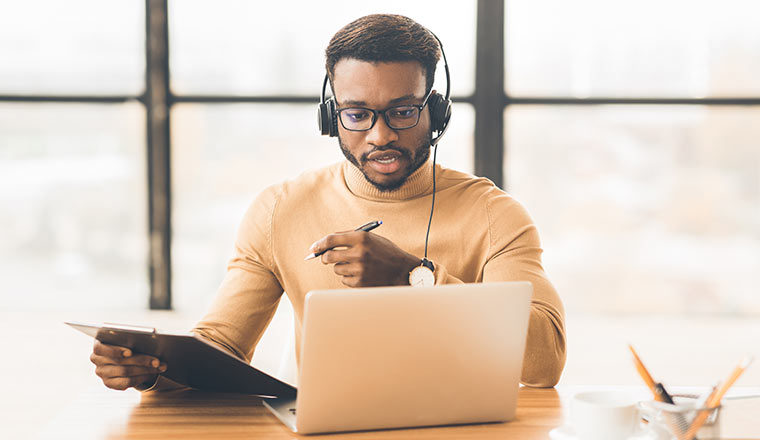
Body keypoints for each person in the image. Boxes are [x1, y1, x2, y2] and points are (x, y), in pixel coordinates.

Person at [90, 13, 566, 392]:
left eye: (403, 112)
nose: (380, 136)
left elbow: (544, 362)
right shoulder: (281, 208)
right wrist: (153, 369)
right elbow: (221, 343)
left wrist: (410, 277)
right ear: (330, 116)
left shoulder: (494, 214)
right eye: (357, 114)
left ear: (436, 113)